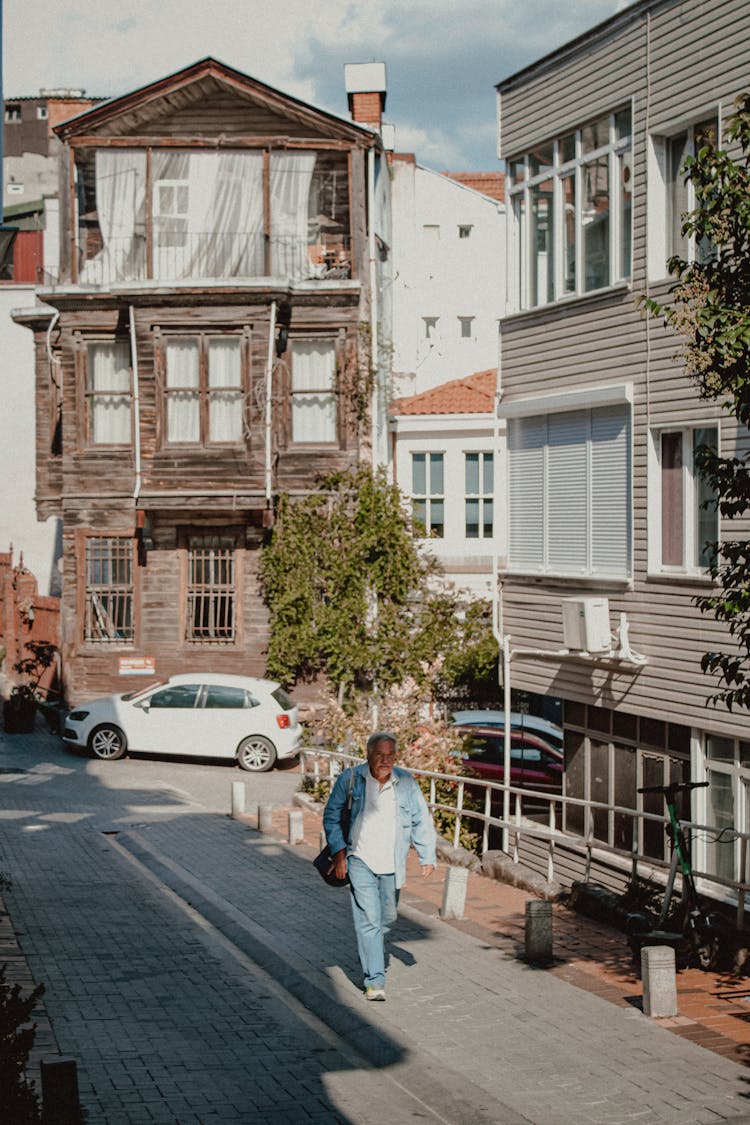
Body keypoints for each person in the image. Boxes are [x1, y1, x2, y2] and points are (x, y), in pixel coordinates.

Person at [323, 731, 436, 1001]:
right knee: (370, 920)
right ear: (368, 754)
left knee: (387, 918)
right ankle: (375, 980)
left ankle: (370, 945)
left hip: (392, 864)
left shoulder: (406, 782)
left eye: (390, 755)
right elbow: (331, 814)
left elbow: (421, 817)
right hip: (359, 858)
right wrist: (339, 853)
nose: (385, 761)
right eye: (379, 755)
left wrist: (426, 854)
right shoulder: (351, 779)